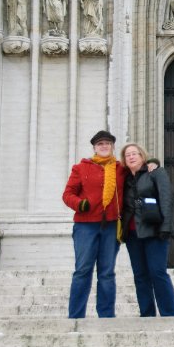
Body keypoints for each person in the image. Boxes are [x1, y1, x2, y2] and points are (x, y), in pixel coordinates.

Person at [62, 130, 126, 318]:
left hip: (111, 226)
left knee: (106, 273)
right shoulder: (80, 168)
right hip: (85, 226)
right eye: (100, 144)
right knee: (83, 270)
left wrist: (152, 165)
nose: (104, 146)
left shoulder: (120, 169)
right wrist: (79, 204)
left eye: (107, 143)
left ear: (113, 147)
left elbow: (137, 170)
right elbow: (67, 194)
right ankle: (76, 316)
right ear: (94, 148)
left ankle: (106, 317)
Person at [120, 144, 174, 317]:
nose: (131, 157)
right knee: (140, 276)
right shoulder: (124, 178)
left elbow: (166, 198)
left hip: (154, 231)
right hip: (132, 234)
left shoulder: (155, 172)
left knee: (157, 273)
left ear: (142, 156)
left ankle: (170, 314)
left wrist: (166, 227)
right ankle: (146, 315)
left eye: (135, 154)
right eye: (127, 155)